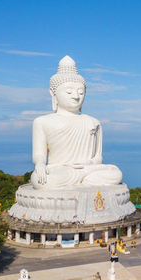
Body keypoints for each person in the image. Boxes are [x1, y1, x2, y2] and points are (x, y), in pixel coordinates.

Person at [31, 56, 122, 189]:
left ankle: (79, 182)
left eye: (81, 92)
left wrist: (88, 164)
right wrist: (40, 165)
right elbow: (39, 155)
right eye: (68, 92)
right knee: (39, 180)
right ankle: (83, 183)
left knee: (115, 173)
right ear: (53, 93)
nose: (76, 96)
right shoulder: (42, 122)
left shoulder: (93, 122)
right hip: (60, 171)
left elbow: (98, 157)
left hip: (87, 168)